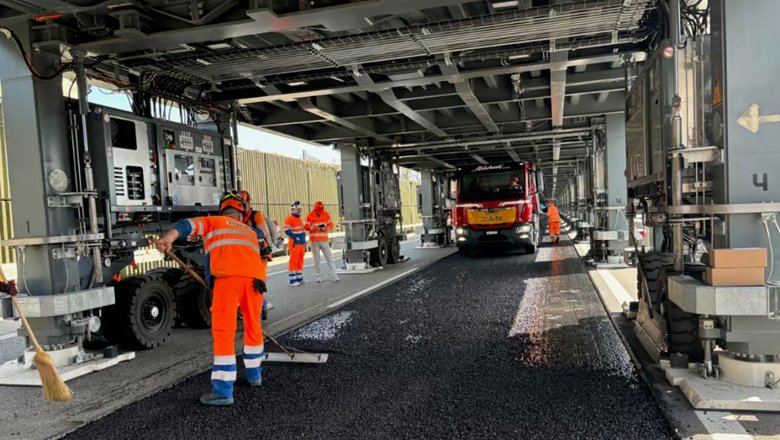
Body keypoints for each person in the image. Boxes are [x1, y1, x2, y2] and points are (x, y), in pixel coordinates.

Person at [155, 193, 268, 406]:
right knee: (253, 327)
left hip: (228, 279)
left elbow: (187, 225)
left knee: (224, 332)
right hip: (255, 281)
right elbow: (261, 255)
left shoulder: (214, 221)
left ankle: (223, 391)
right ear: (241, 214)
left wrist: (169, 238)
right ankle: (255, 375)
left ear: (222, 211)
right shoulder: (250, 231)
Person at [305, 201, 339, 282]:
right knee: (316, 259)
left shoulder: (326, 214)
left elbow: (331, 224)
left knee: (329, 257)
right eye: (318, 210)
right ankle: (319, 276)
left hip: (324, 239)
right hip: (314, 241)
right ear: (315, 209)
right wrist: (313, 228)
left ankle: (334, 274)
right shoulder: (310, 216)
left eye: (321, 210)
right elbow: (306, 227)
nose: (320, 212)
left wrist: (326, 228)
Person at [283, 201, 306, 286]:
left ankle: (299, 278)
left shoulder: (298, 219)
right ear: (293, 210)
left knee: (300, 260)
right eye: (298, 209)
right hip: (295, 243)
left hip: (301, 243)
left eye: (300, 209)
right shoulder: (290, 218)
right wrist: (294, 237)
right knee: (294, 261)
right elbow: (286, 230)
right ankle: (292, 281)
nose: (299, 211)